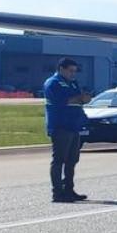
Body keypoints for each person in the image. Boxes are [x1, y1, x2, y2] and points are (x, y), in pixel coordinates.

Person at [42, 58, 89, 203]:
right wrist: (79, 98)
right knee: (59, 160)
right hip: (60, 126)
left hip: (74, 126)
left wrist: (83, 99)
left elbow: (79, 99)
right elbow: (63, 101)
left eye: (75, 71)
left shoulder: (73, 83)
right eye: (70, 70)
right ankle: (58, 193)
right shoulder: (53, 83)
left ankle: (69, 189)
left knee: (72, 160)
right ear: (61, 69)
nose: (73, 74)